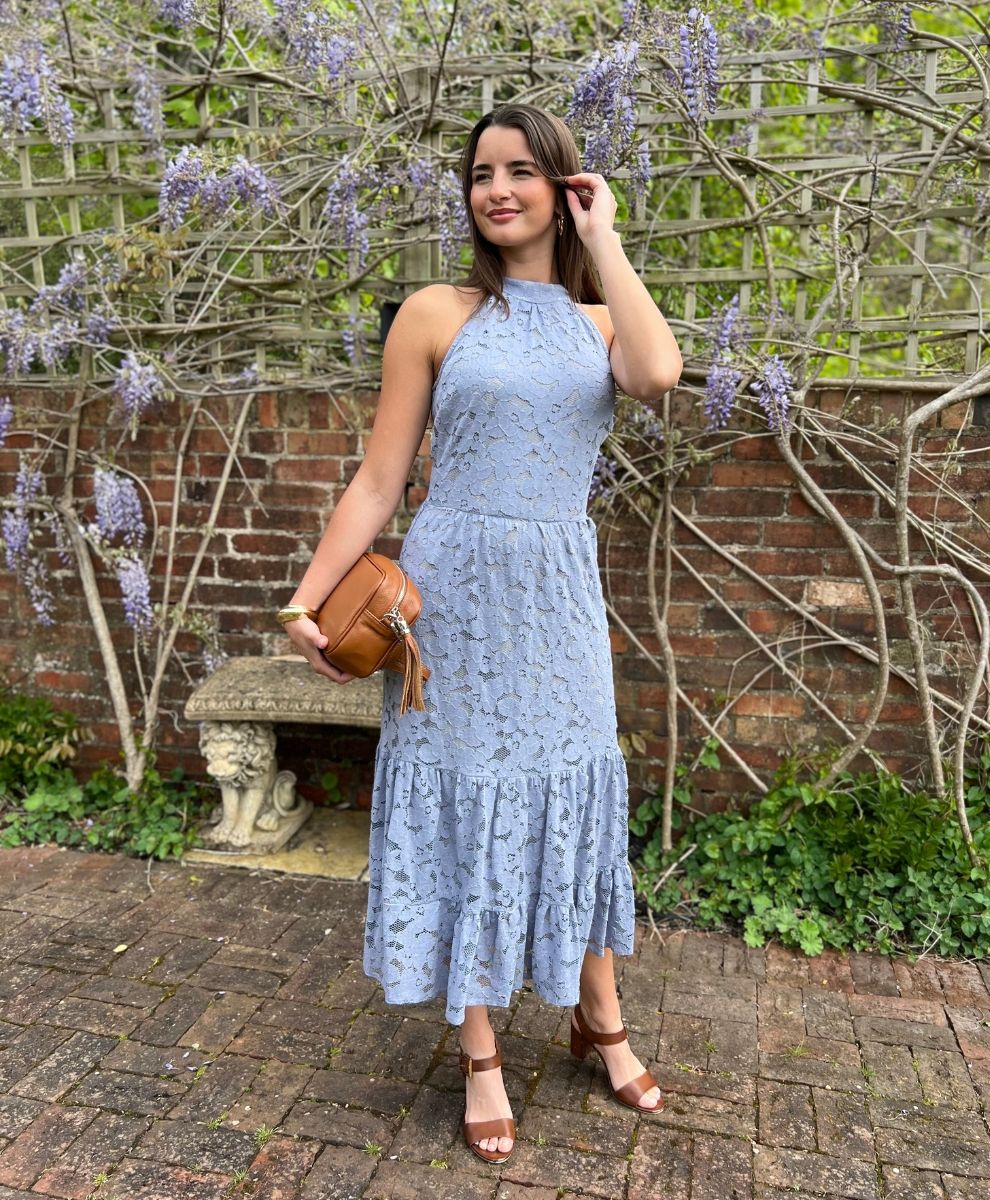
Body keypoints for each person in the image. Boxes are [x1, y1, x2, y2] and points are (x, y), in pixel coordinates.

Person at [282, 102, 683, 1165]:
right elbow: (379, 480)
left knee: (572, 787)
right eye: (478, 174)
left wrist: (605, 240)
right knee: (461, 794)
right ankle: (478, 1049)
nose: (495, 189)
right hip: (449, 592)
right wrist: (307, 597)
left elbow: (657, 375)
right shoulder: (434, 310)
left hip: (555, 590)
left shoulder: (602, 324)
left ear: (561, 186)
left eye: (519, 171)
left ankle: (599, 1017)